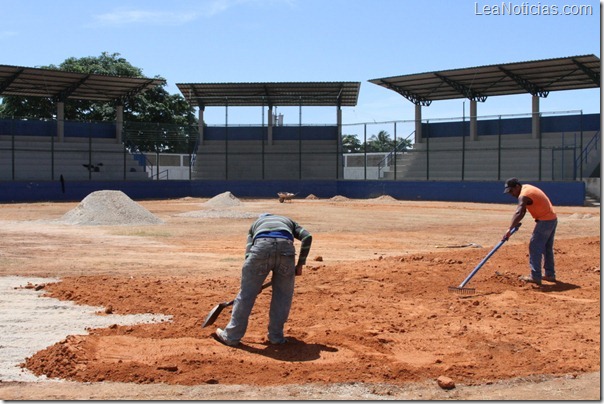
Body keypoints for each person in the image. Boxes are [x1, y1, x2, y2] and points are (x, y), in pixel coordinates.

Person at [215, 213, 312, 346]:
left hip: (261, 247)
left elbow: (249, 254)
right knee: (283, 296)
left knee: (246, 295)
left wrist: (254, 282)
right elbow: (307, 236)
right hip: (286, 250)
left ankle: (232, 336)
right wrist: (301, 263)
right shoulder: (289, 222)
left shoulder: (254, 225)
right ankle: (276, 337)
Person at [503, 177, 558, 286]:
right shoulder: (526, 188)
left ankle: (535, 276)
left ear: (517, 187)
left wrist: (510, 228)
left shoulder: (524, 194)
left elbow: (519, 212)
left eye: (511, 191)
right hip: (552, 219)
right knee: (546, 248)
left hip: (545, 221)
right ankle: (550, 274)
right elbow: (522, 212)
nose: (511, 194)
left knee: (535, 246)